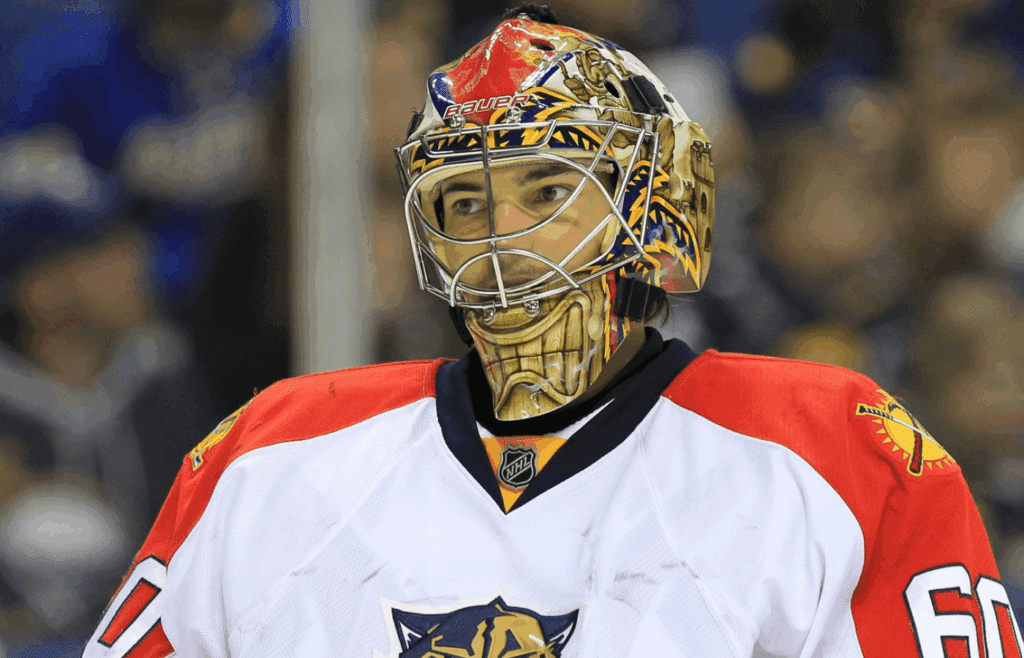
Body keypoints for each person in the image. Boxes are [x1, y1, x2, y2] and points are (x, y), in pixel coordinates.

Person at [83, 6, 1019, 657]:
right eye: (461, 201)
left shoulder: (843, 450)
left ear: (660, 211)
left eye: (547, 191)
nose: (502, 238)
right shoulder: (271, 450)